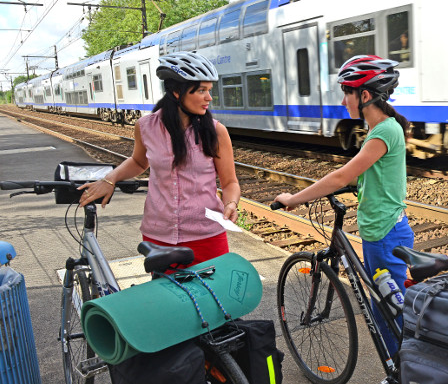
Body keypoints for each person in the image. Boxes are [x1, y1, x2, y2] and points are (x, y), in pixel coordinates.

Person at [273, 55, 413, 355]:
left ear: (364, 95)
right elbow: (367, 175)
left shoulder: (385, 131)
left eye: (346, 92)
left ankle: (403, 370)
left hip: (385, 236)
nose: (342, 100)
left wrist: (295, 199)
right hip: (384, 232)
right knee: (385, 308)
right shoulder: (384, 130)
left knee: (388, 314)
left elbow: (342, 176)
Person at [78, 51, 240, 267]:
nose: (209, 98)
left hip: (206, 235)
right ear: (176, 92)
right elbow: (138, 162)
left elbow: (230, 182)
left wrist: (231, 203)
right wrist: (110, 179)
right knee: (168, 299)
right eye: (201, 90)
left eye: (209, 90)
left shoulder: (216, 131)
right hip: (159, 237)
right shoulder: (146, 127)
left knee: (215, 299)